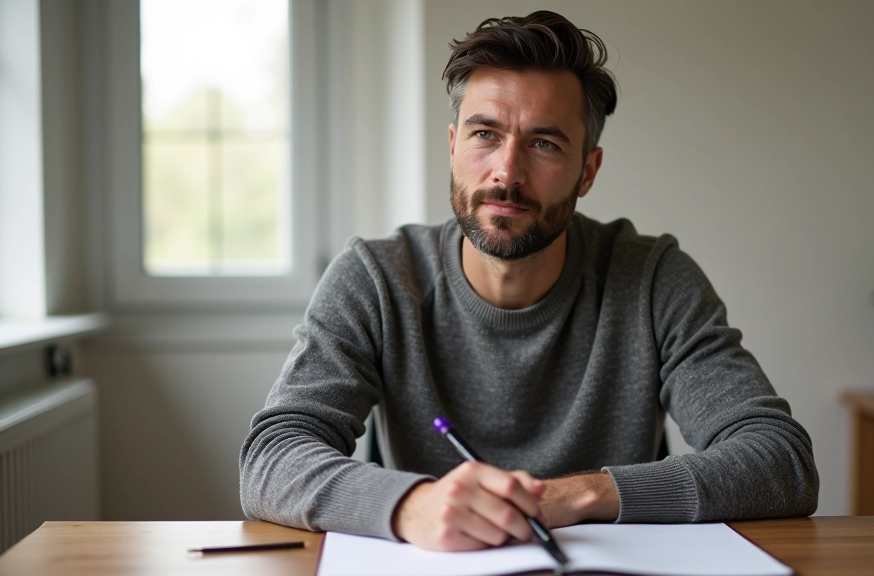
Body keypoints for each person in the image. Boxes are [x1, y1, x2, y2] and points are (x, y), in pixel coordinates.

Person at [240, 10, 818, 552]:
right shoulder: (377, 278)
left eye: (544, 143)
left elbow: (780, 460)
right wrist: (412, 506)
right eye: (485, 135)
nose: (507, 172)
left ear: (587, 170)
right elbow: (272, 458)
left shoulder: (652, 280)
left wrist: (577, 495)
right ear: (453, 146)